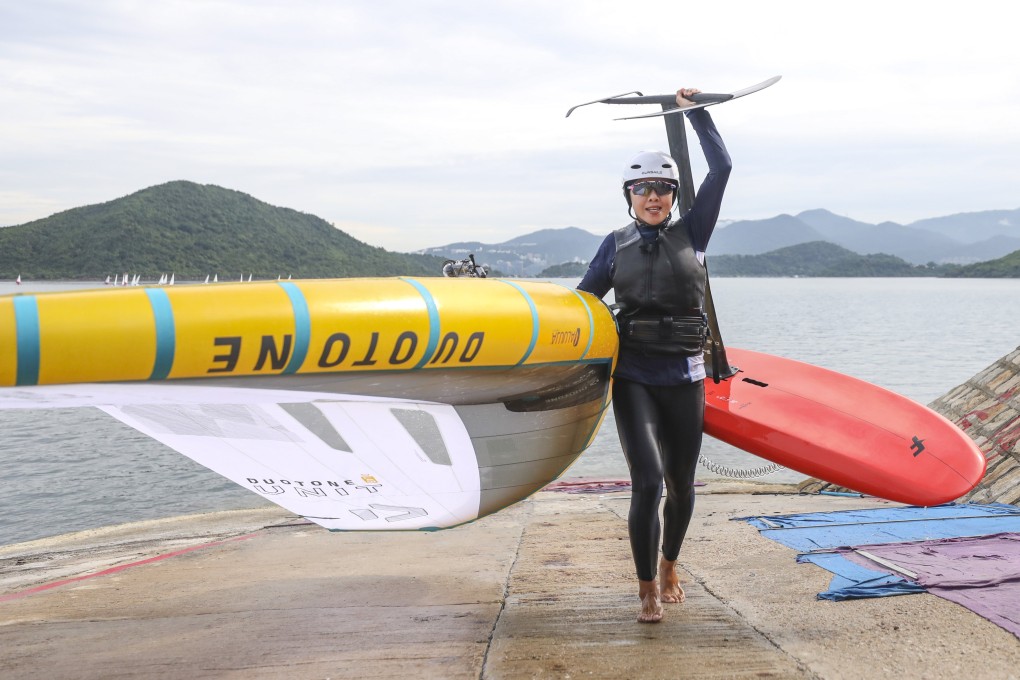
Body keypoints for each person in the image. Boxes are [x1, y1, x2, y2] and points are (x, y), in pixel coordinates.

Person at [577, 88, 731, 623]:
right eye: (643, 188)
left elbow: (721, 167)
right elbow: (584, 301)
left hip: (685, 375)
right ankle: (646, 588)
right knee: (647, 482)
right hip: (635, 376)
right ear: (629, 194)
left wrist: (697, 114)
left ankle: (670, 564)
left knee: (681, 486)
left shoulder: (695, 231)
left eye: (663, 188)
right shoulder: (614, 244)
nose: (653, 196)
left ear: (673, 195)